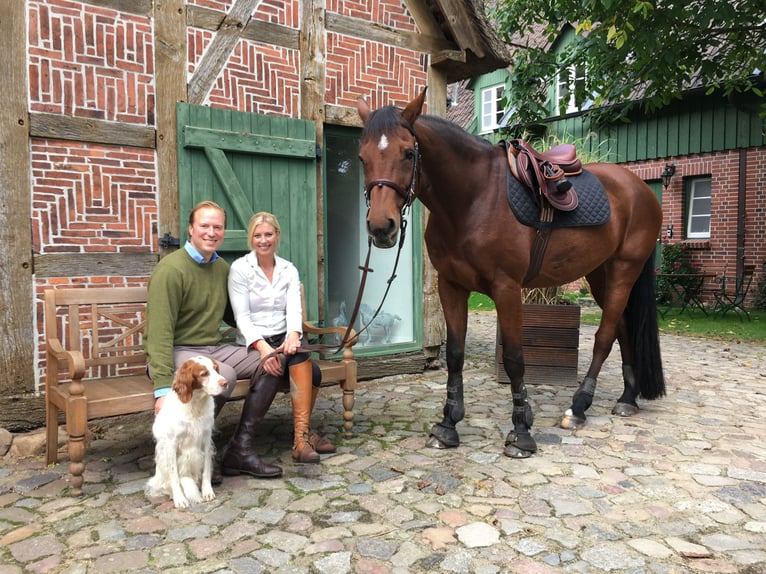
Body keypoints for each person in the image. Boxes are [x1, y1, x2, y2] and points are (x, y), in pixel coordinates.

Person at [144, 201, 282, 479]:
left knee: (271, 360)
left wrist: (275, 335)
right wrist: (161, 388)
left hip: (212, 349)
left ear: (223, 231)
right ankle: (191, 452)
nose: (211, 232)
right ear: (191, 229)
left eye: (217, 227)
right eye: (204, 226)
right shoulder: (171, 270)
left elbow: (236, 316)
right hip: (177, 351)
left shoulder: (222, 269)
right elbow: (158, 333)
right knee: (225, 376)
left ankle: (239, 449)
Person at [227, 211, 335, 464]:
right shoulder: (240, 269)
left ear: (277, 236)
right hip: (254, 344)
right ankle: (246, 443)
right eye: (257, 235)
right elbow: (242, 318)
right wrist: (264, 348)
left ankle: (301, 438)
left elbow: (293, 309)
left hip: (284, 339)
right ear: (250, 238)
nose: (263, 240)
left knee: (307, 362)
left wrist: (294, 335)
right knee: (276, 368)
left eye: (268, 234)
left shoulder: (288, 269)